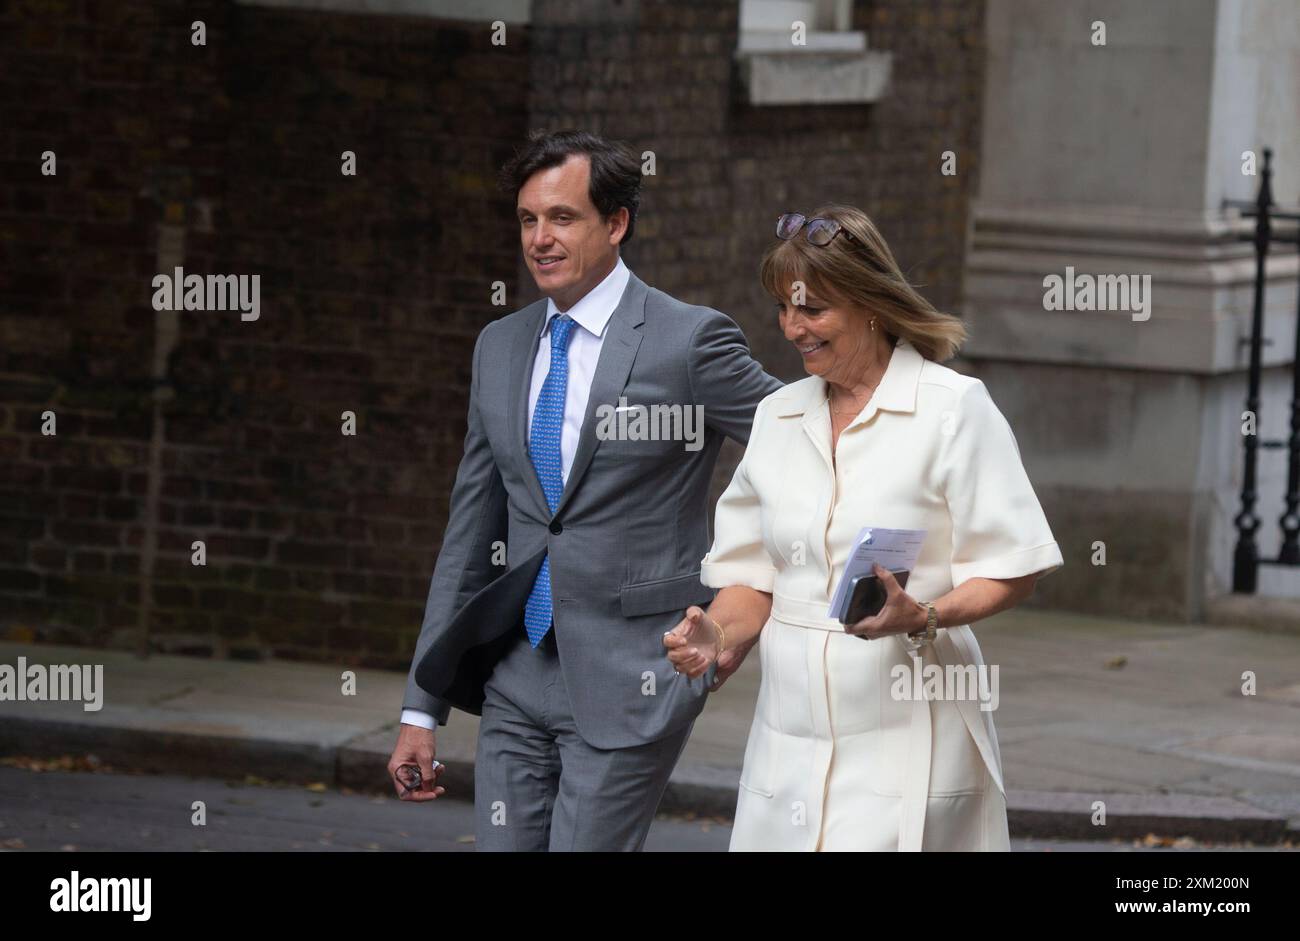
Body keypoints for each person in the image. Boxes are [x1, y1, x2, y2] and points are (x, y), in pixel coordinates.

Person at [390, 130, 781, 851]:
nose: (540, 238)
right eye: (529, 219)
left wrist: (754, 580)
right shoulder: (500, 347)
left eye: (563, 218)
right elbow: (470, 533)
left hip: (633, 677)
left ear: (616, 223)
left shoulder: (687, 342)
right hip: (515, 675)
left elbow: (802, 446)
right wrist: (423, 707)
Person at [664, 206, 1063, 851]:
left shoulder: (953, 409)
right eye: (785, 308)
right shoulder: (776, 416)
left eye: (814, 310)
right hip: (786, 747)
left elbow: (1013, 568)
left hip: (909, 737)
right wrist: (715, 633)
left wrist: (924, 614)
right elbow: (750, 577)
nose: (793, 328)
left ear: (871, 305)